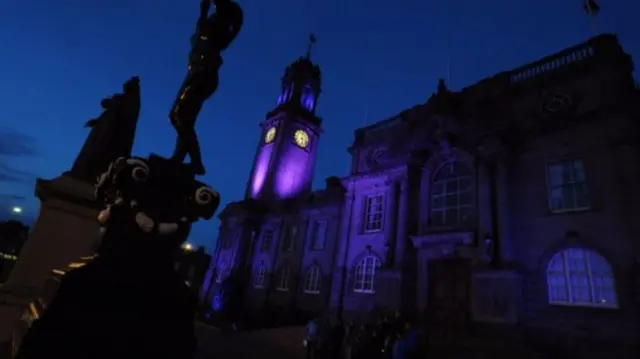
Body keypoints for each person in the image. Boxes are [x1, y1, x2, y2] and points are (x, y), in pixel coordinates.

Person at [170, 0, 243, 175]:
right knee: (184, 119)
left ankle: (195, 161)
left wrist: (209, 9)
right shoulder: (208, 26)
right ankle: (181, 160)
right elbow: (200, 26)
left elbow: (214, 27)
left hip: (202, 74)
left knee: (177, 115)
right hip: (196, 73)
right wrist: (204, 10)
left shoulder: (220, 28)